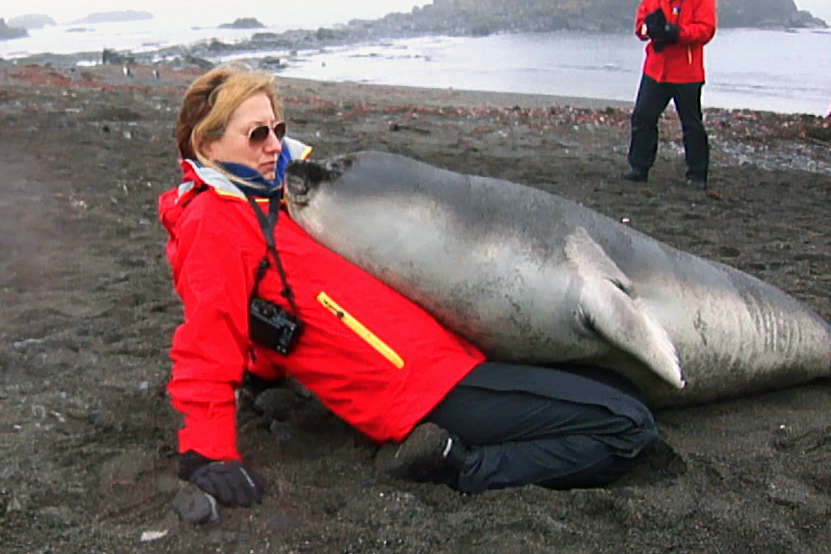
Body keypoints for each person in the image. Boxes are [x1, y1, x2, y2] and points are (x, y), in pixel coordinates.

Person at [158, 65, 659, 508]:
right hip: (414, 393)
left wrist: (263, 369)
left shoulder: (274, 200)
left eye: (277, 130)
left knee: (619, 390)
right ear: (208, 145)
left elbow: (278, 303)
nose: (273, 145)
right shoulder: (213, 222)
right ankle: (458, 466)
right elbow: (207, 339)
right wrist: (208, 453)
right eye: (256, 134)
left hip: (448, 357)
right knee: (626, 427)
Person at [623, 0, 717, 189]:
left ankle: (697, 174)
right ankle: (639, 167)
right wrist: (649, 29)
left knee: (691, 124)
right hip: (656, 69)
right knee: (643, 117)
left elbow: (706, 30)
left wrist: (676, 32)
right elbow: (640, 27)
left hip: (686, 72)